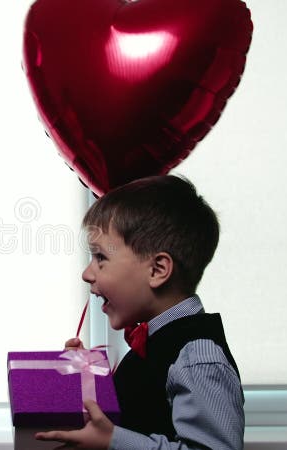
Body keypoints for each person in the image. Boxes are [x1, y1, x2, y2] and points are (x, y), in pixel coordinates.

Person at [37, 175, 244, 450]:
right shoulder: (153, 344)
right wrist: (88, 382)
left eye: (100, 258)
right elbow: (141, 416)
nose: (87, 274)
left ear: (157, 270)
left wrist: (113, 441)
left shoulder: (197, 358)